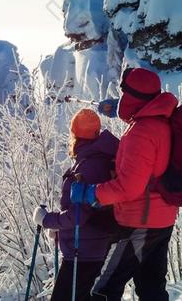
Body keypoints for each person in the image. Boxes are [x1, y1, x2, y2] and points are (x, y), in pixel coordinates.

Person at [72, 67, 179, 301]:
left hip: (138, 222)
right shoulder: (161, 119)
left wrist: (91, 193)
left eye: (125, 94)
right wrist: (121, 111)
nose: (122, 99)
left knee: (104, 290)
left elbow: (129, 187)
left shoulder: (141, 133)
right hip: (162, 219)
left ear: (134, 97)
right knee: (151, 289)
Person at [32, 109, 119, 301]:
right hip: (94, 246)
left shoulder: (88, 167)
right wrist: (60, 229)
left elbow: (79, 215)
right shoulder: (101, 160)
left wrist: (47, 220)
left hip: (83, 253)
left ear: (75, 136)